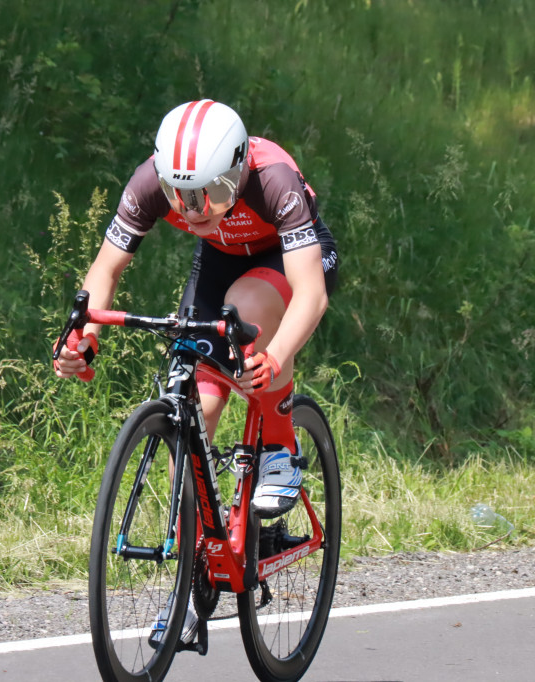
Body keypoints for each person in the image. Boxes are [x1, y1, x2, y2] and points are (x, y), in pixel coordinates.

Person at [53, 99, 339, 640]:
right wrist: (82, 338)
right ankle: (188, 586)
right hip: (220, 262)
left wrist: (274, 358)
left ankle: (279, 446)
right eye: (179, 195)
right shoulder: (149, 183)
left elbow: (312, 295)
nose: (194, 208)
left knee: (249, 308)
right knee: (196, 408)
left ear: (236, 171)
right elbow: (104, 271)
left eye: (211, 192)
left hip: (290, 257)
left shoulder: (272, 179)